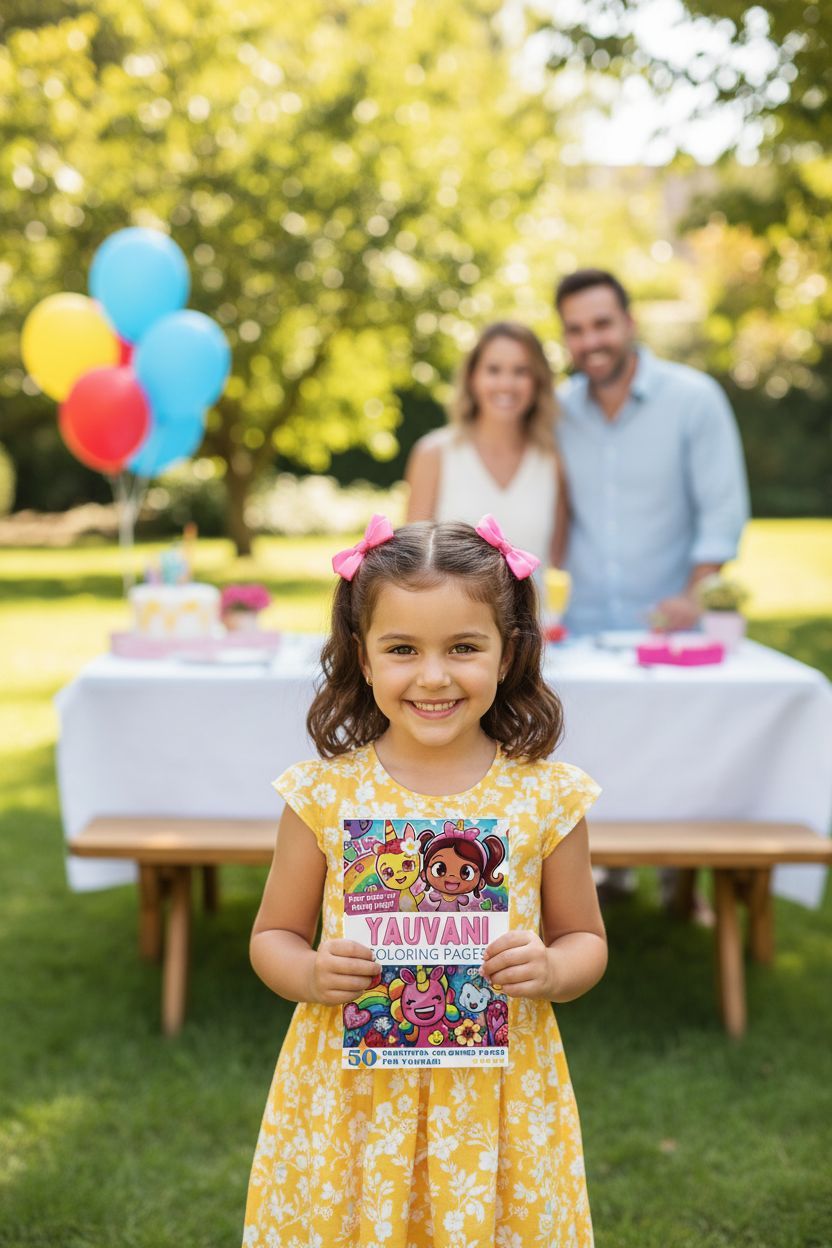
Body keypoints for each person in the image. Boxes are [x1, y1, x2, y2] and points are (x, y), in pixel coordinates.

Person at [243, 515, 607, 1247]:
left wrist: (552, 967)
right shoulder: (322, 796)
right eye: (403, 649)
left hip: (497, 1096)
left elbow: (586, 940)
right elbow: (271, 936)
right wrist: (311, 972)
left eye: (464, 647)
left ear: (508, 655)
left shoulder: (546, 797)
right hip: (354, 1093)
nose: (434, 675)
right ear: (364, 657)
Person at [555, 268, 749, 636]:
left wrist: (694, 599)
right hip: (579, 632)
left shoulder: (694, 399)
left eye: (602, 324)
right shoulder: (557, 411)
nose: (590, 341)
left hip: (670, 631)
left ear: (630, 323)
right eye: (575, 330)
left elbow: (722, 510)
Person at [405, 321, 568, 570]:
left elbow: (558, 558)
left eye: (521, 371)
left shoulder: (551, 459)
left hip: (536, 610)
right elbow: (412, 563)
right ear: (472, 377)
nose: (506, 383)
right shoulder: (434, 453)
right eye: (493, 370)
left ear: (538, 381)